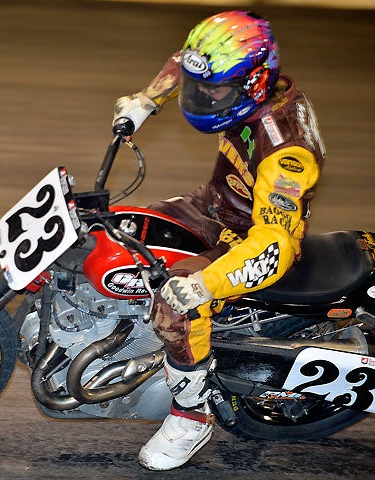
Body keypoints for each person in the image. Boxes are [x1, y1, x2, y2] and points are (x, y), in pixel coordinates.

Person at [112, 11, 326, 471]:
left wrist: (205, 285)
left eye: (213, 91)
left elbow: (276, 245)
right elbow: (187, 62)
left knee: (177, 305)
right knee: (118, 225)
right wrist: (148, 100)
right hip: (214, 205)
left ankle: (192, 415)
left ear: (252, 85)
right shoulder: (241, 78)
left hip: (251, 238)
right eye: (197, 87)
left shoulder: (288, 155)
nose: (201, 95)